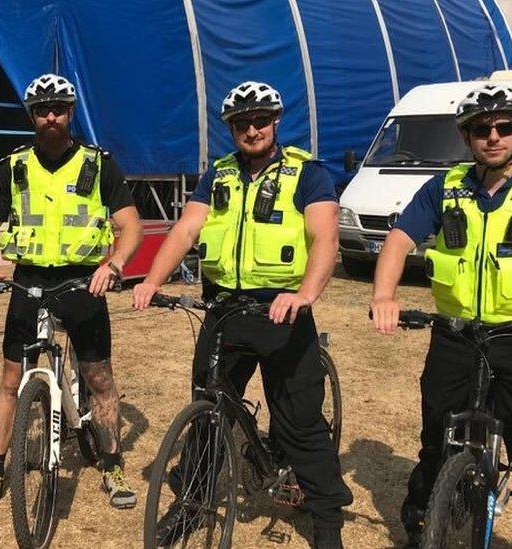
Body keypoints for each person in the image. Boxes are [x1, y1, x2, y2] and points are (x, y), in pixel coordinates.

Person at [369, 84, 512, 548]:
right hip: (455, 338)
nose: (493, 137)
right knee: (437, 444)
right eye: (481, 128)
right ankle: (425, 524)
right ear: (466, 136)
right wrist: (384, 296)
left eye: (504, 127)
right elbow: (399, 240)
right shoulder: (445, 187)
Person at [133, 81, 353, 548]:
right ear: (231, 128)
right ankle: (191, 502)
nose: (251, 129)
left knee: (299, 422)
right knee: (208, 411)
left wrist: (305, 296)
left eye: (259, 120)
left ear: (275, 122)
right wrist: (152, 279)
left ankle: (327, 517)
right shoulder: (218, 175)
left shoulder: (306, 173)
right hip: (225, 311)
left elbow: (325, 241)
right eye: (241, 123)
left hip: (283, 311)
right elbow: (186, 229)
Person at [0, 73, 143, 513]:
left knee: (99, 377)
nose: (51, 116)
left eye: (58, 108)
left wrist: (114, 265)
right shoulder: (14, 167)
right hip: (28, 282)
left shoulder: (98, 164)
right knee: (10, 380)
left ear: (70, 112)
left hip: (83, 282)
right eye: (42, 109)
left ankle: (112, 462)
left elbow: (130, 226)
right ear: (32, 115)